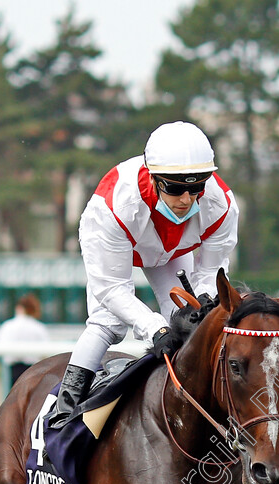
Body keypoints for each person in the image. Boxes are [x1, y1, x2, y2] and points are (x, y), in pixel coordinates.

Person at [53, 120, 239, 425]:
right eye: (176, 188)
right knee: (109, 324)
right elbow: (112, 289)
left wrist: (203, 300)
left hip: (173, 249)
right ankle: (63, 412)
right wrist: (153, 328)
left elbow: (212, 273)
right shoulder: (114, 206)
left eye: (197, 187)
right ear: (153, 178)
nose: (186, 200)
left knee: (187, 316)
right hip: (120, 238)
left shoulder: (222, 205)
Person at [0, 293, 50, 387]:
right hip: (32, 370)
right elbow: (45, 353)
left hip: (11, 370)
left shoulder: (7, 326)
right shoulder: (39, 327)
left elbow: (1, 349)